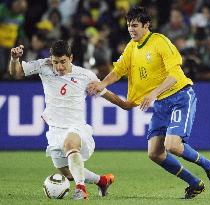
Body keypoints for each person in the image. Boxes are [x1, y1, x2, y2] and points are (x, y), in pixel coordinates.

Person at [87, 6, 210, 199]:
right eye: (128, 26)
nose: (131, 29)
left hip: (180, 96)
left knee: (173, 145)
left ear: (146, 25)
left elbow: (175, 74)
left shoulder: (160, 42)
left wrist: (153, 93)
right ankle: (195, 183)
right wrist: (103, 83)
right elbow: (118, 70)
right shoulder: (132, 47)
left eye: (135, 25)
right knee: (155, 153)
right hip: (161, 103)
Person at [9, 40, 133, 200]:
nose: (59, 67)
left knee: (70, 144)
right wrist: (14, 59)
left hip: (76, 128)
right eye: (55, 62)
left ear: (71, 58)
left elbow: (107, 94)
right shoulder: (43, 66)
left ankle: (81, 190)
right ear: (50, 59)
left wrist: (126, 105)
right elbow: (16, 72)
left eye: (63, 62)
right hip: (55, 130)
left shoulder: (85, 75)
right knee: (68, 172)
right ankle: (102, 181)